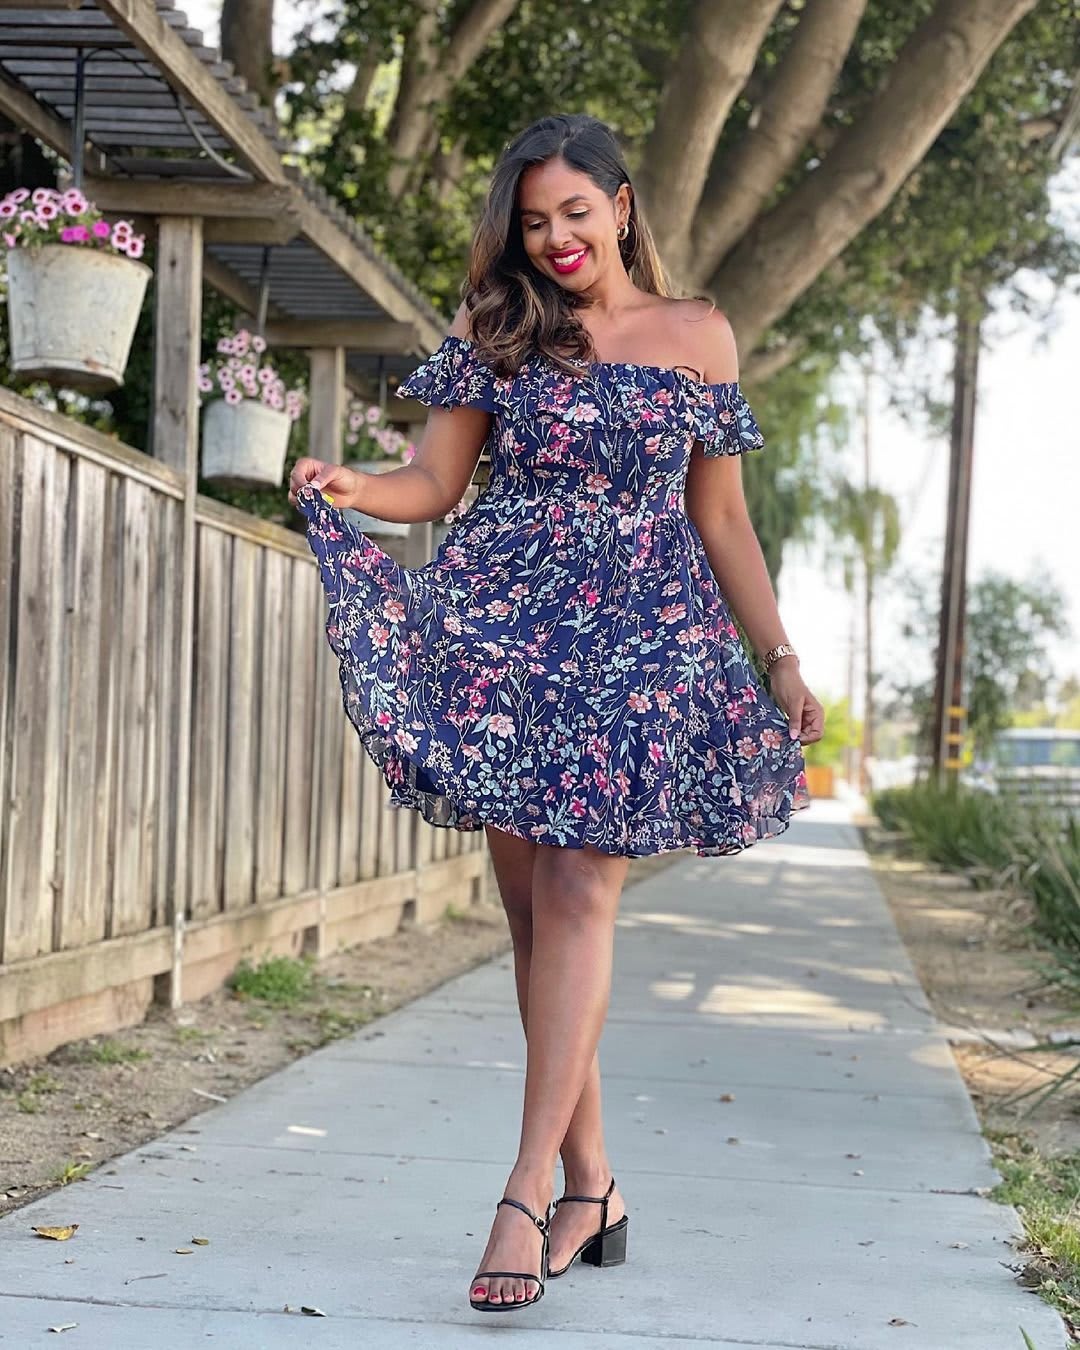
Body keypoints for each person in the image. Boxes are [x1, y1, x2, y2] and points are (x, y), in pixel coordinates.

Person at [290, 112, 823, 1314]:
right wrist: (350, 484)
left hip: (641, 636)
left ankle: (525, 1191)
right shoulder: (501, 325)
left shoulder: (700, 335)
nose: (556, 239)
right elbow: (433, 482)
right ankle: (593, 1183)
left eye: (575, 214)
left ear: (624, 205)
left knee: (584, 886)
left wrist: (777, 655)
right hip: (502, 634)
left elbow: (721, 516)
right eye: (533, 222)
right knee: (534, 917)